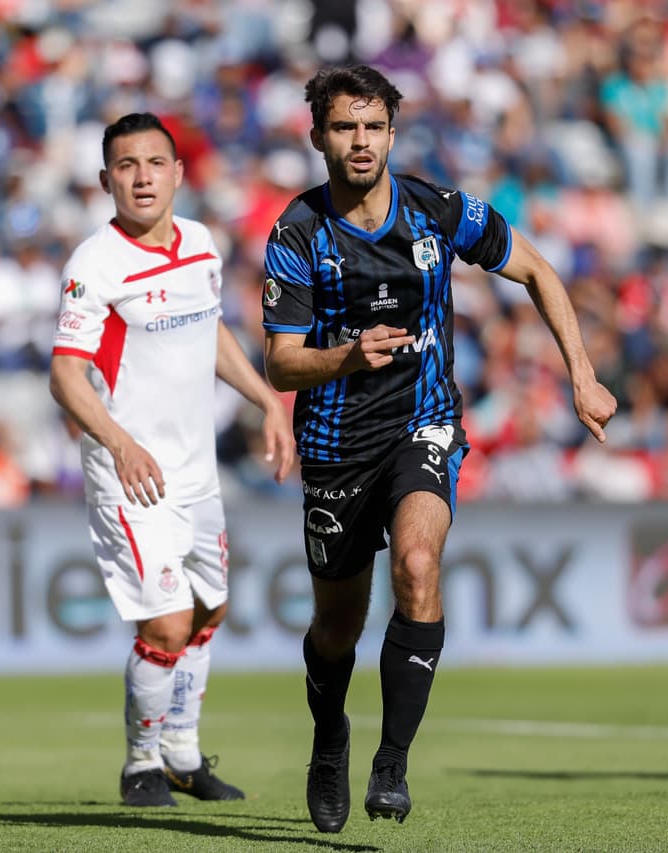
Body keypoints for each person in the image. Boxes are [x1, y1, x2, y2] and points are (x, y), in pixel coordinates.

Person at [260, 65, 618, 832]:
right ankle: (331, 735)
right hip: (334, 444)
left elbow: (537, 269)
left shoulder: (437, 210)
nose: (360, 141)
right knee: (336, 629)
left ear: (392, 131)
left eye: (373, 125)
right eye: (344, 127)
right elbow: (280, 362)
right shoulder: (298, 232)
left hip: (424, 425)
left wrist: (582, 378)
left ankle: (392, 762)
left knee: (419, 564)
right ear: (319, 136)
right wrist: (349, 356)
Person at [49, 112, 295, 808]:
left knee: (210, 608)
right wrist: (119, 441)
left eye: (155, 162)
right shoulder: (94, 265)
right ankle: (140, 764)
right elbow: (64, 376)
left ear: (179, 173)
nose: (142, 176)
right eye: (126, 165)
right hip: (130, 471)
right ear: (105, 180)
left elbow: (207, 329)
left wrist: (268, 401)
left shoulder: (200, 243)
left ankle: (183, 753)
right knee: (164, 622)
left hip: (194, 469)